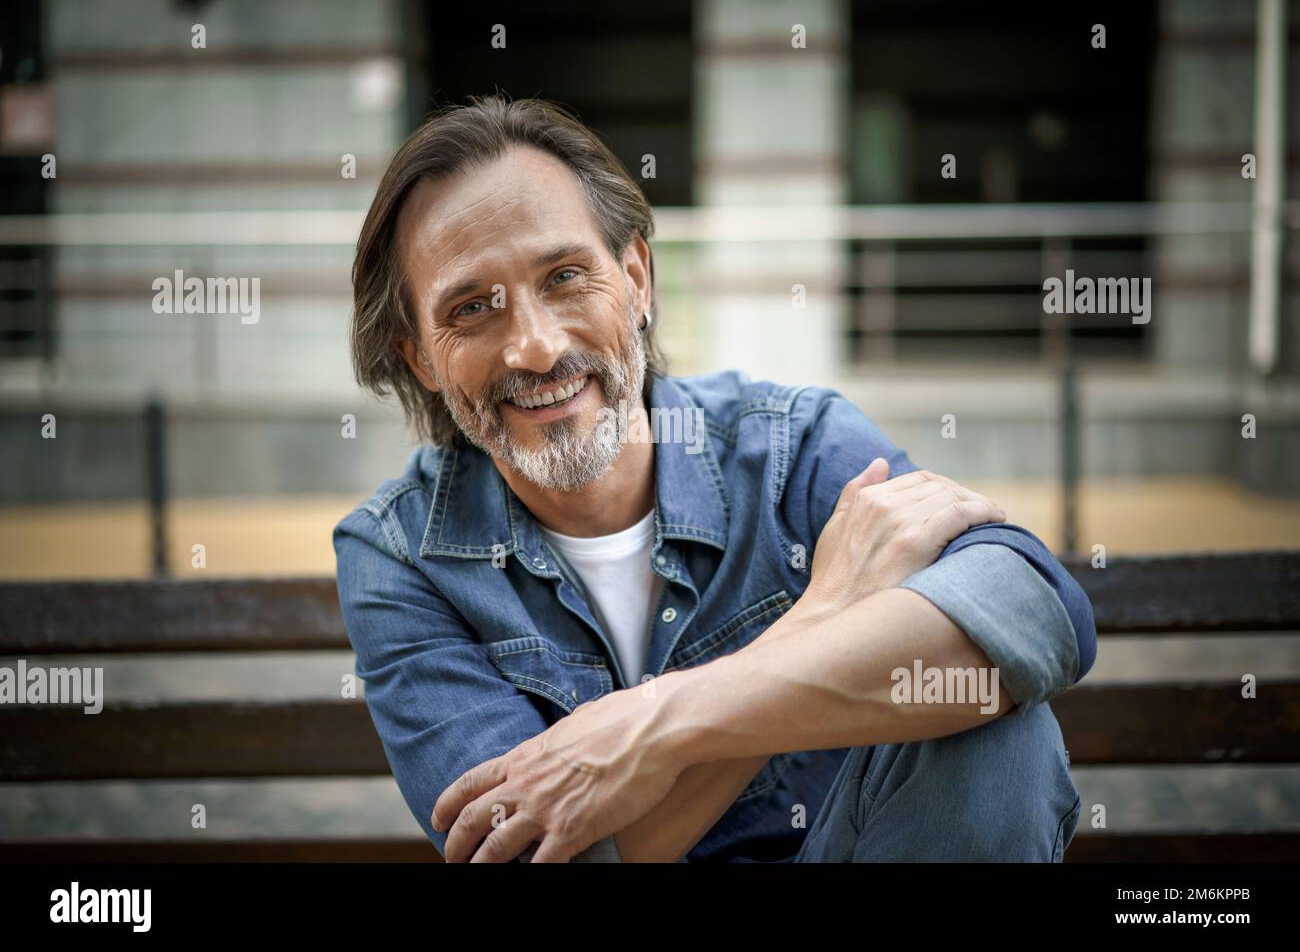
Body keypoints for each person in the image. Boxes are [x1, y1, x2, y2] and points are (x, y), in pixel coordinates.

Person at [334, 94, 1095, 863]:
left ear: (636, 277)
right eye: (471, 308)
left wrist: (660, 725)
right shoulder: (398, 555)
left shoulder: (792, 447)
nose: (533, 348)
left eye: (564, 275)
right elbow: (534, 857)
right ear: (421, 358)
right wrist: (822, 613)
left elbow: (1035, 612)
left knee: (993, 727)